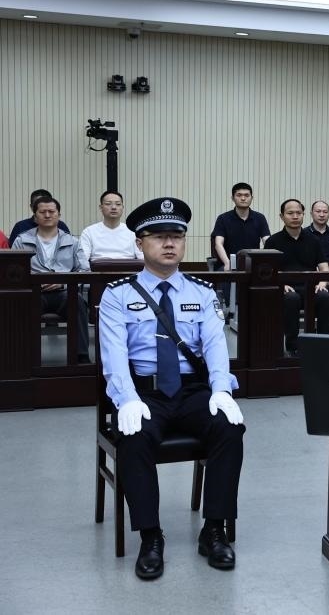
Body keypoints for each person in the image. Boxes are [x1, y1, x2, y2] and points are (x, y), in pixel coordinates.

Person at [98, 197, 245, 581]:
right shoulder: (117, 294)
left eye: (176, 236)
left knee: (229, 429)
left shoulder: (202, 291)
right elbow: (114, 357)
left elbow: (216, 346)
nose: (169, 243)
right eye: (158, 236)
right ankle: (150, 537)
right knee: (134, 438)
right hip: (144, 393)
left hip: (192, 391)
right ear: (139, 243)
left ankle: (214, 529)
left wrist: (221, 390)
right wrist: (127, 400)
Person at [11, 196, 91, 363]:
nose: (47, 215)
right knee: (21, 306)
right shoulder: (21, 240)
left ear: (58, 215)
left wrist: (63, 283)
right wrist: (35, 283)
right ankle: (22, 357)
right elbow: (13, 272)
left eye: (51, 211)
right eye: (42, 212)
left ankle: (81, 357)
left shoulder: (72, 242)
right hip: (35, 293)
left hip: (64, 292)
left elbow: (84, 271)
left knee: (77, 302)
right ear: (35, 216)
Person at [264, 199, 329, 357]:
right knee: (291, 299)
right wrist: (280, 285)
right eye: (290, 213)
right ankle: (293, 346)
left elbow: (324, 268)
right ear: (281, 216)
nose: (295, 216)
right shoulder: (273, 241)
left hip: (310, 287)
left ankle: (325, 343)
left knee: (325, 297)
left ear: (303, 215)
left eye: (298, 213)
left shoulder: (313, 240)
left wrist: (322, 283)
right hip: (285, 289)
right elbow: (268, 271)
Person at [211, 182, 271, 270]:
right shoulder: (223, 218)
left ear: (252, 198)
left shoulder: (260, 218)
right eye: (239, 195)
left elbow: (267, 241)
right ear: (232, 198)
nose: (243, 198)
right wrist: (227, 263)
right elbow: (218, 243)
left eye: (246, 195)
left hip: (253, 264)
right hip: (227, 263)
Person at [79, 190, 143, 260]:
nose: (113, 207)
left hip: (129, 266)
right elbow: (82, 260)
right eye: (108, 204)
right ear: (101, 207)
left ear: (122, 207)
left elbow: (142, 257)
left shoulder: (132, 232)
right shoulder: (89, 232)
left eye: (118, 204)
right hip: (99, 266)